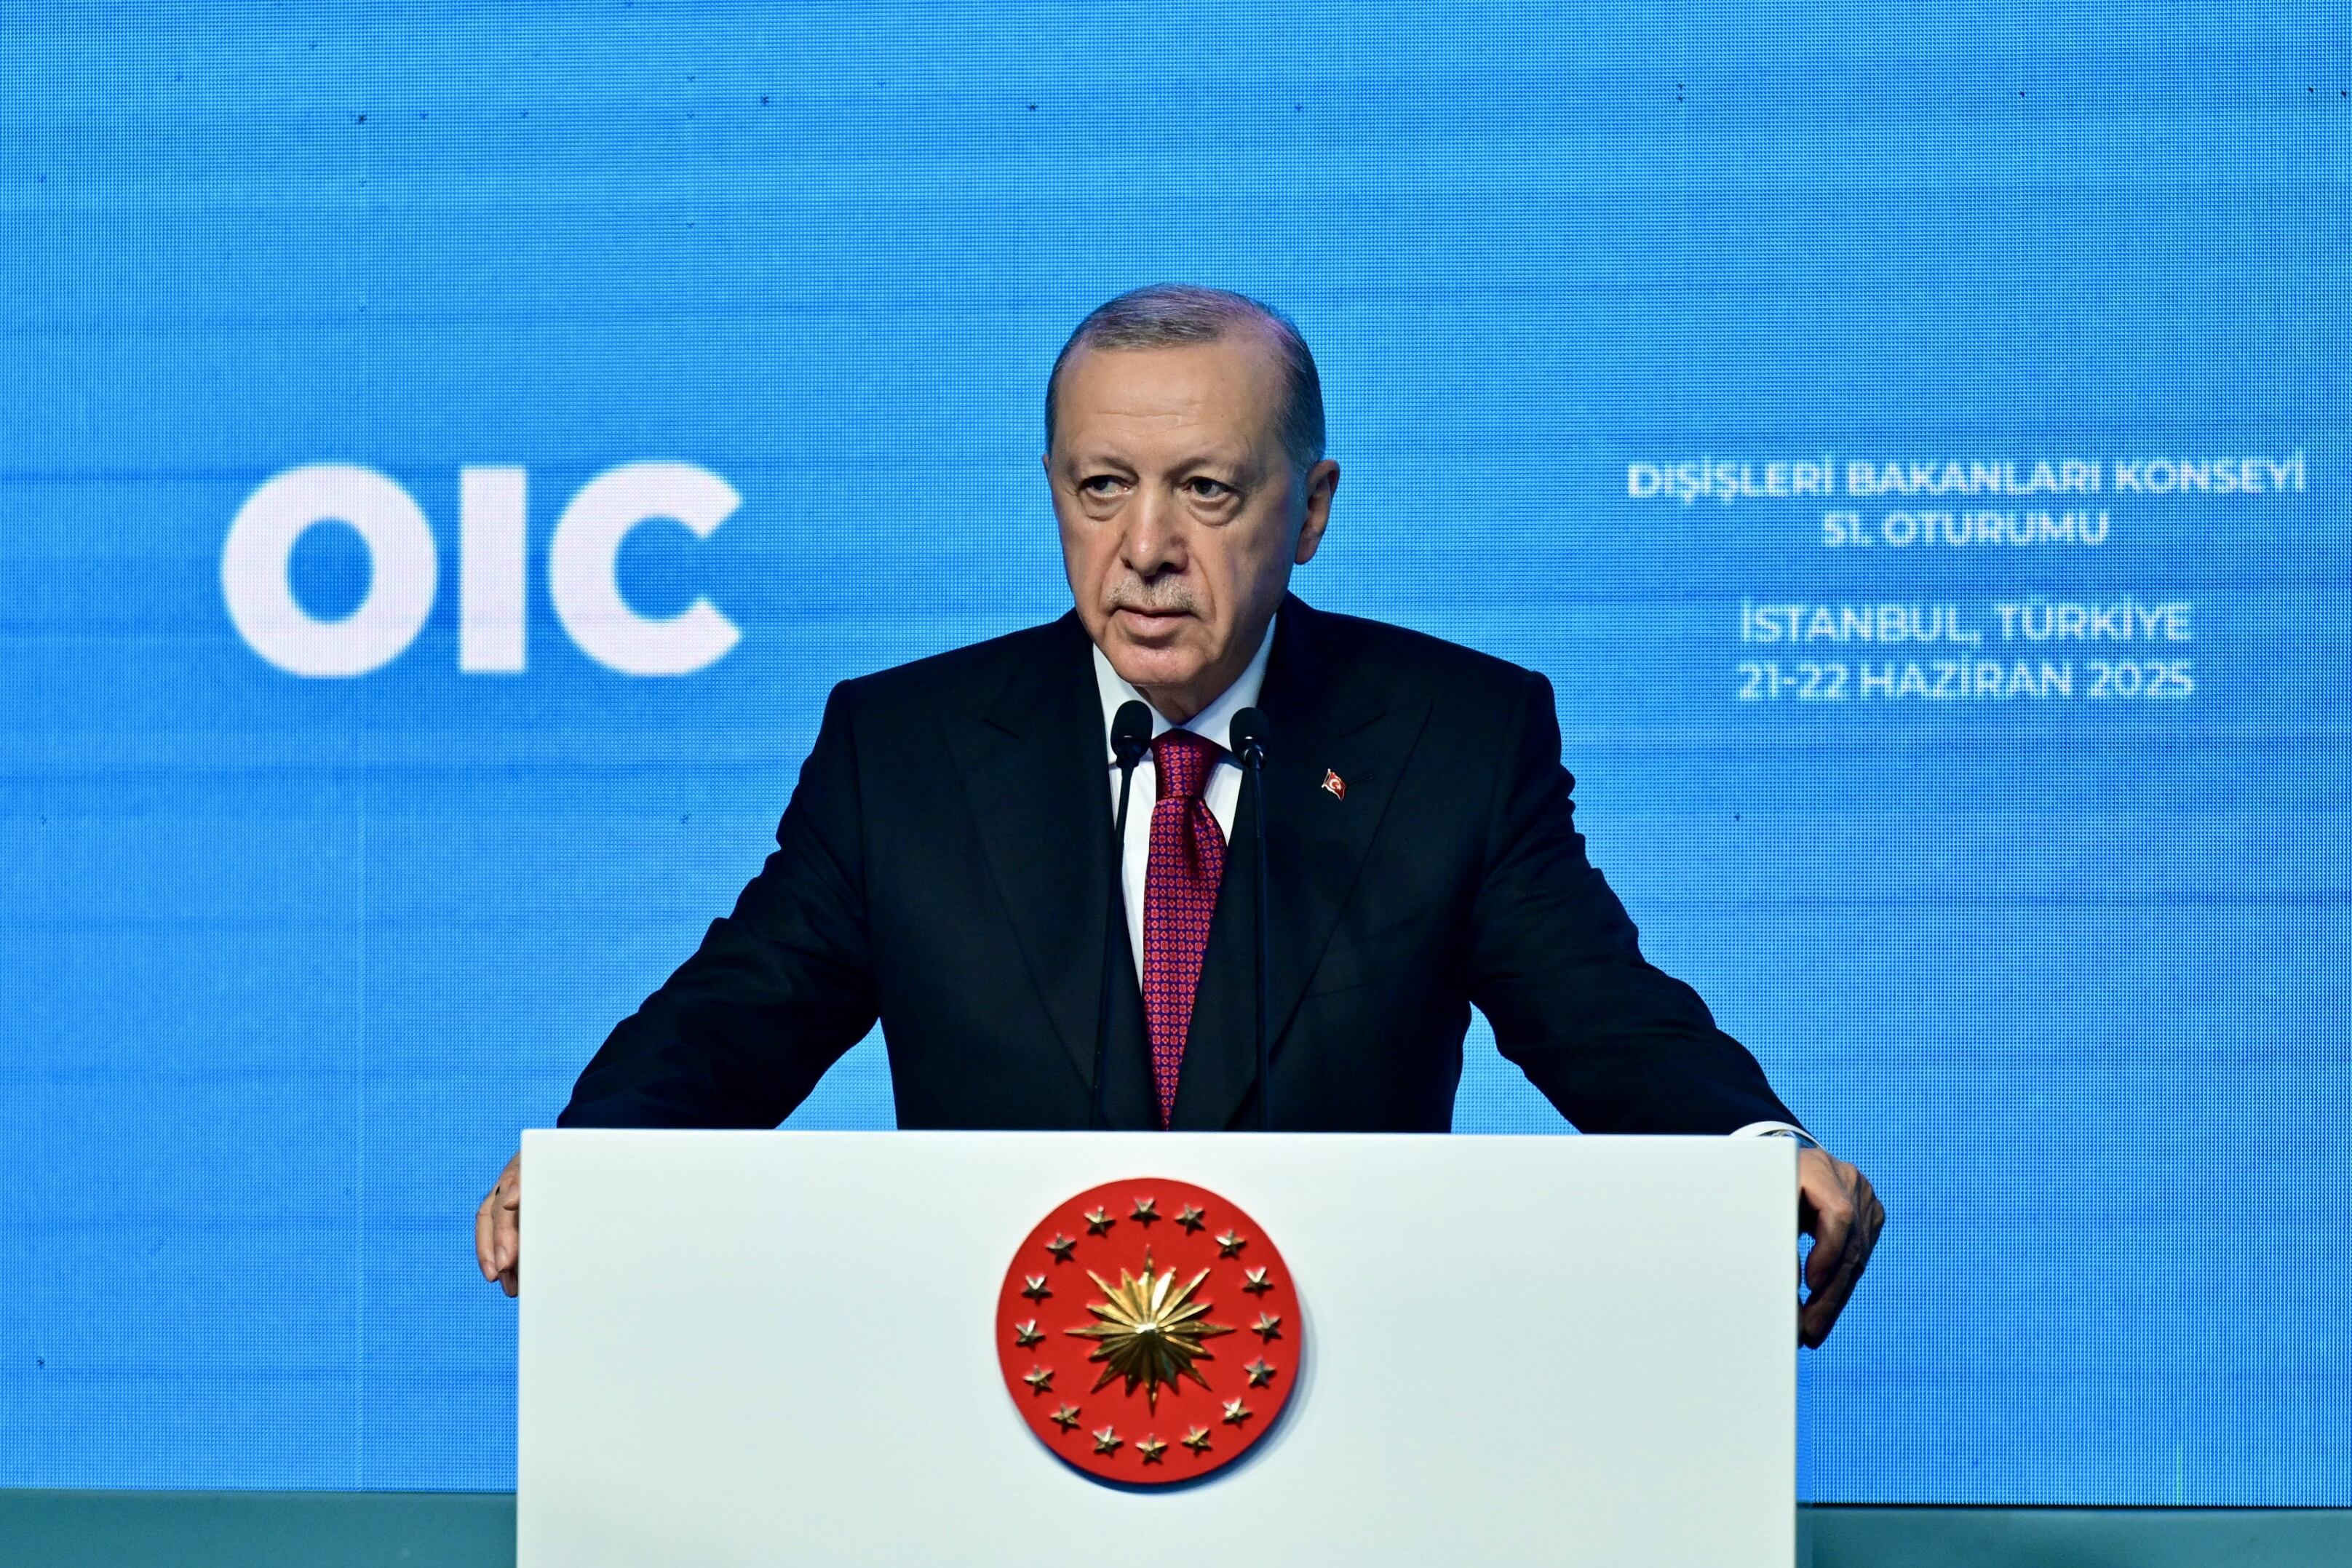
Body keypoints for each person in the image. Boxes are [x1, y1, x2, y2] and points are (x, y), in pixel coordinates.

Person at [476, 284, 1883, 1346]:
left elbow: (1599, 1012)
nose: (1146, 548)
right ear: (1055, 494)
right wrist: (588, 1173)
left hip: (1350, 1408)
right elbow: (735, 1019)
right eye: (1103, 489)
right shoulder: (903, 751)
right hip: (983, 1418)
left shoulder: (1452, 737)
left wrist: (1750, 1158)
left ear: (1312, 508)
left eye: (1205, 490)